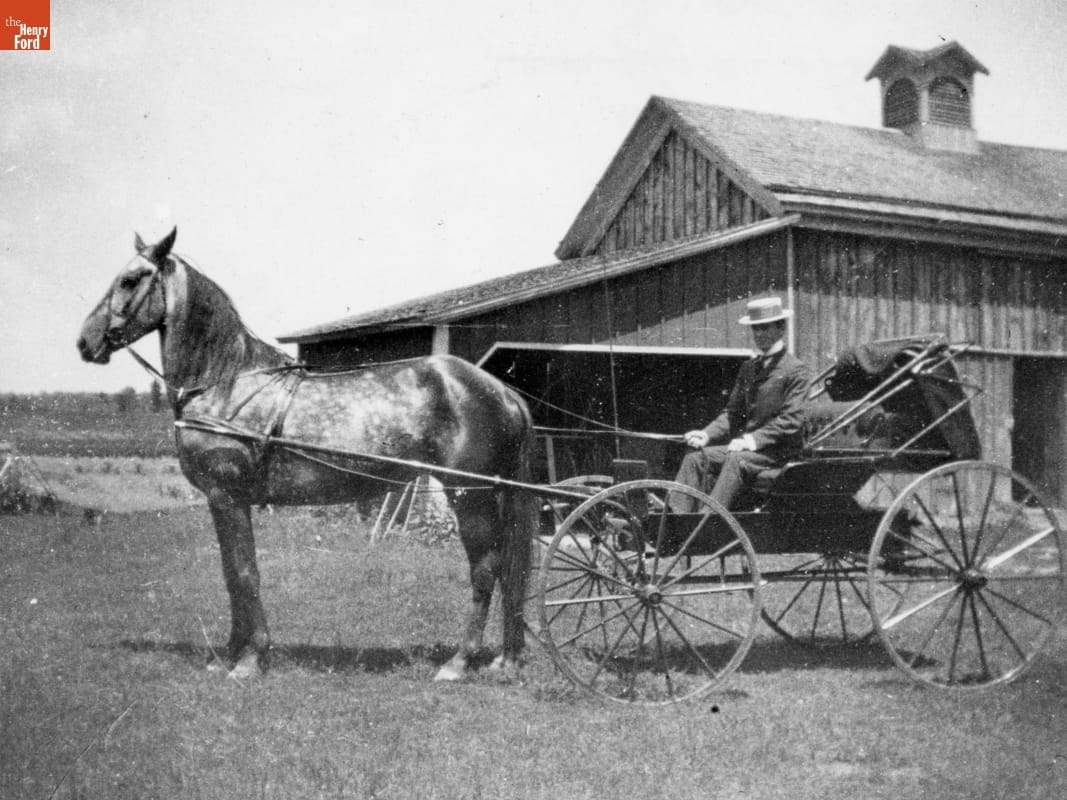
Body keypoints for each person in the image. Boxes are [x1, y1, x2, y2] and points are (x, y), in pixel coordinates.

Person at [671, 297, 811, 512]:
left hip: (779, 453)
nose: (759, 334)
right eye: (755, 328)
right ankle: (675, 520)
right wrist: (706, 434)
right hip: (752, 452)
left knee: (736, 460)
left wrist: (750, 440)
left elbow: (792, 420)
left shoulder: (795, 370)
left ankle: (708, 521)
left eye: (765, 328)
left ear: (781, 328)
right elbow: (732, 413)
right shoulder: (748, 368)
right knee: (695, 459)